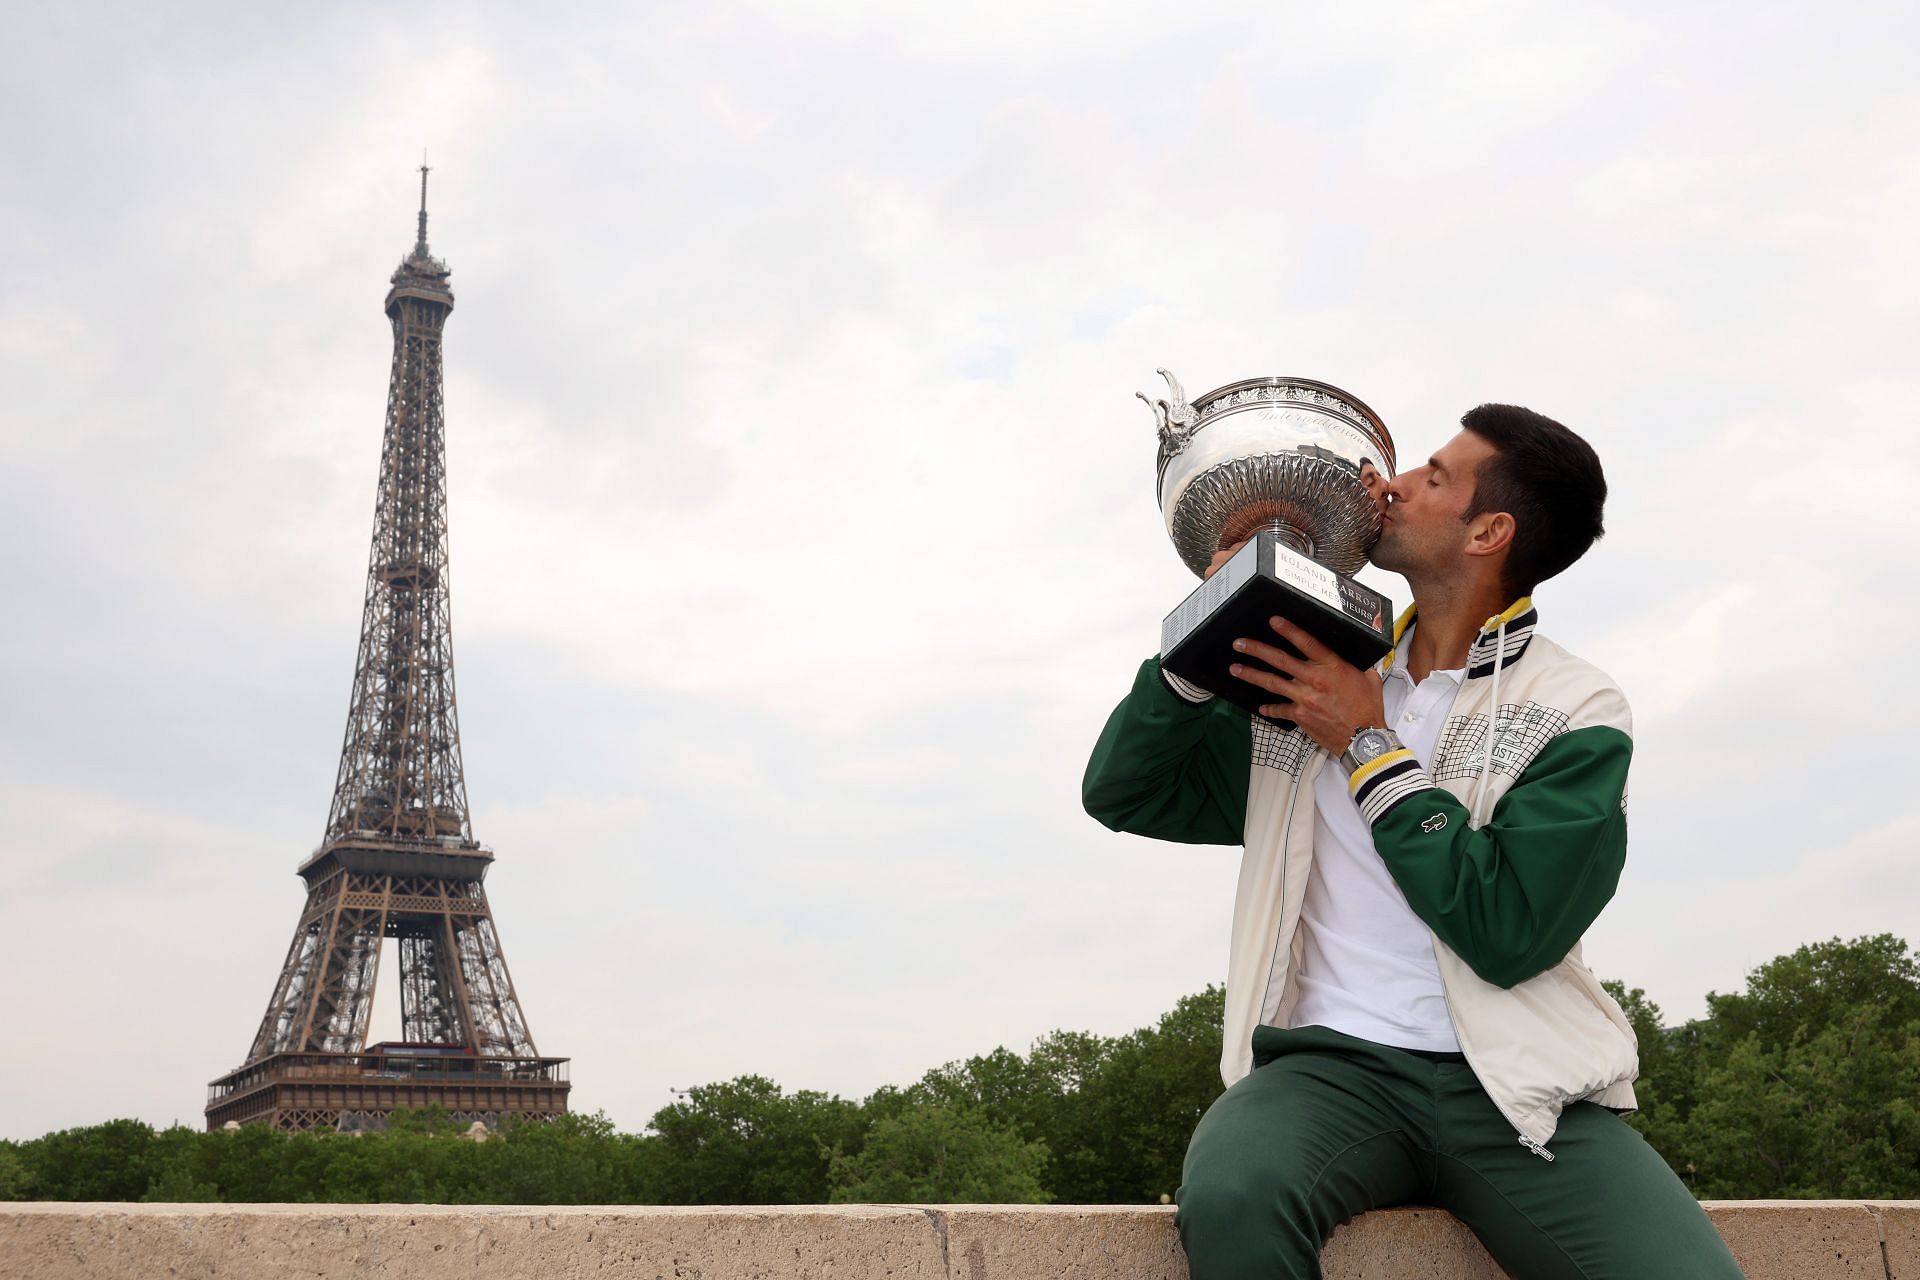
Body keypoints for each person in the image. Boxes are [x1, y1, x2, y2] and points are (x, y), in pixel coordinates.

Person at [1082, 405, 1745, 1279]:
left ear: (1490, 531)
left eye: (1433, 476)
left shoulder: (1578, 708)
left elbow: (1508, 929)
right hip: (1326, 1073)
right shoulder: (1311, 678)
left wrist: (1368, 745)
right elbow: (1127, 791)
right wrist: (1200, 633)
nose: (1389, 485)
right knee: (1235, 1194)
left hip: (1520, 1091)